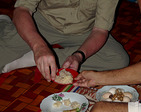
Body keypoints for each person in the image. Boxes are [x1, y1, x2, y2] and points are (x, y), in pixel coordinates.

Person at [0, 0, 129, 82]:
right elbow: (22, 10)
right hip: (42, 22)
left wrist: (79, 56)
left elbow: (100, 31)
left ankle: (38, 58)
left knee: (118, 60)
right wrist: (39, 47)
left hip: (84, 30)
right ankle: (4, 25)